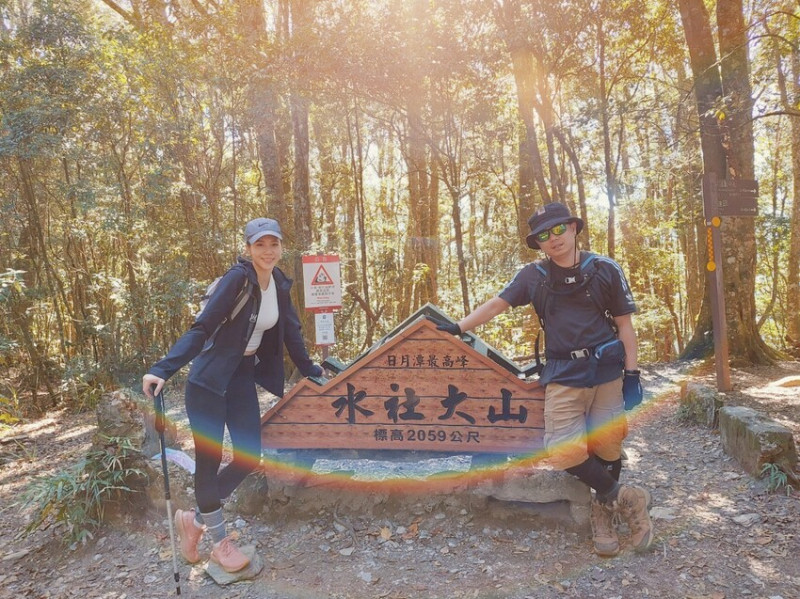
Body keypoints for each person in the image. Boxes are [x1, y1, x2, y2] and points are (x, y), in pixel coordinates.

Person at [436, 202, 651, 557]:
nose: (553, 239)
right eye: (543, 235)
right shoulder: (533, 276)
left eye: (558, 230)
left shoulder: (605, 269)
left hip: (607, 371)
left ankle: (603, 513)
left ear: (573, 227)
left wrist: (632, 374)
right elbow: (497, 304)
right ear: (537, 242)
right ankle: (626, 498)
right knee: (564, 449)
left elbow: (626, 325)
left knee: (609, 444)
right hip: (564, 373)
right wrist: (459, 327)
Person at [143, 217, 322, 573]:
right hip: (208, 381)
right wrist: (162, 368)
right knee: (208, 463)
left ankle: (193, 521)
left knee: (248, 455)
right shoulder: (237, 279)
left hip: (240, 377)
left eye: (273, 244)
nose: (268, 251)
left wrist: (312, 369)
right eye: (260, 245)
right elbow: (203, 327)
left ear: (281, 247)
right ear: (247, 248)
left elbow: (291, 333)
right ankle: (219, 542)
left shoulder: (280, 284)